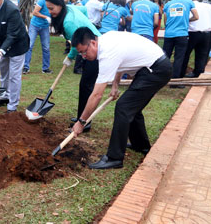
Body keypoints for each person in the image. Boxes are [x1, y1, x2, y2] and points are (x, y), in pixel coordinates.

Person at [71, 27, 171, 169]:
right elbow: (121, 63)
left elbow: (96, 94)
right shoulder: (106, 40)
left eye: (83, 51)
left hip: (156, 70)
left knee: (124, 107)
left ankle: (114, 158)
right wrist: (115, 85)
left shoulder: (107, 52)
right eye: (80, 53)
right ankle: (140, 145)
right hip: (151, 68)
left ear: (92, 43)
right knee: (131, 107)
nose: (83, 56)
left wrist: (81, 122)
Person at [45, 0, 101, 130]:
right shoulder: (70, 8)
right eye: (48, 8)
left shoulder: (69, 22)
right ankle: (81, 117)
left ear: (60, 5)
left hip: (95, 49)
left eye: (52, 8)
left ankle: (84, 122)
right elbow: (84, 10)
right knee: (84, 85)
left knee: (86, 86)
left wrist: (70, 57)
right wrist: (85, 25)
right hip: (91, 45)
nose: (50, 12)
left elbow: (77, 46)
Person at [163, 0, 199, 80]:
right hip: (182, 34)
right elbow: (196, 16)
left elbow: (165, 21)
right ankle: (175, 80)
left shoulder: (167, 4)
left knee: (165, 57)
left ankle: (162, 78)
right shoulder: (188, 2)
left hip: (169, 34)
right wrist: (187, 20)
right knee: (179, 58)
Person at [181, 0, 211, 78]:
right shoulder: (208, 6)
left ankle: (181, 72)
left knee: (186, 53)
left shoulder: (188, 6)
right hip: (207, 33)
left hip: (192, 33)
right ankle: (198, 73)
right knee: (202, 54)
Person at [23, 0, 52, 74]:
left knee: (46, 48)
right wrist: (46, 17)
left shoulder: (55, 4)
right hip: (34, 25)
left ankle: (45, 68)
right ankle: (26, 67)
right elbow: (35, 12)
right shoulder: (42, 0)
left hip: (45, 26)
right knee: (29, 45)